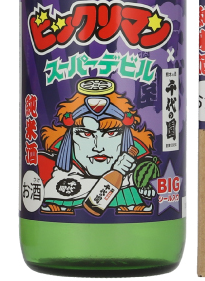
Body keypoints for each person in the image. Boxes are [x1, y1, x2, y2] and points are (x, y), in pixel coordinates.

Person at [40, 78, 156, 214]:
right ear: (70, 137)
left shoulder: (131, 157)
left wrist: (141, 184)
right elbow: (54, 188)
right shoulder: (66, 163)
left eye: (111, 133)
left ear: (125, 137)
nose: (98, 147)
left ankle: (130, 205)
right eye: (86, 134)